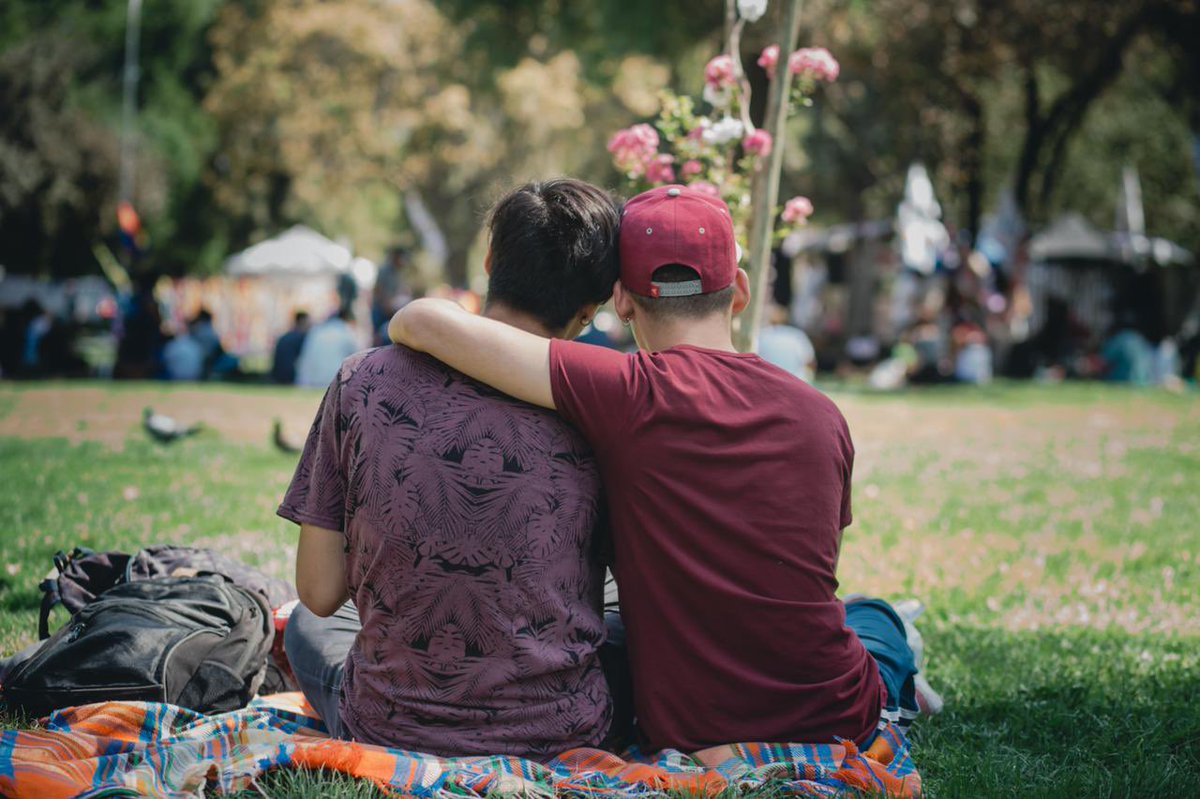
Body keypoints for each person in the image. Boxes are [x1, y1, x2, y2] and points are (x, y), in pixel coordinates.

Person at [389, 184, 926, 752]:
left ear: (622, 301)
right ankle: (901, 649)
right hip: (839, 715)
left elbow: (422, 322)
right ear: (739, 291)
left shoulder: (625, 393)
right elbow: (801, 572)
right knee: (873, 618)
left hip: (695, 729)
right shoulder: (821, 413)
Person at [278, 179, 622, 758]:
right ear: (589, 311)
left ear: (490, 263)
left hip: (388, 726)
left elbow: (318, 591)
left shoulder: (362, 381)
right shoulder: (608, 407)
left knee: (308, 626)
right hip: (559, 735)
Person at [294, 308, 360, 388]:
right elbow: (358, 359)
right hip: (337, 382)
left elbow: (305, 361)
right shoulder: (346, 332)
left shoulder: (316, 331)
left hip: (312, 382)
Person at [757, 304, 816, 382]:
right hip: (795, 382)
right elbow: (810, 363)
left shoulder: (761, 335)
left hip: (768, 381)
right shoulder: (798, 335)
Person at [271, 311, 311, 385]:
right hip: (289, 377)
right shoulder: (300, 338)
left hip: (277, 376)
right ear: (302, 321)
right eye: (308, 322)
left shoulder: (285, 336)